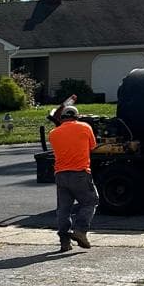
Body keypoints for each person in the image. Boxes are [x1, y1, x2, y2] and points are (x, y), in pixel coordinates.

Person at [48, 101, 98, 252]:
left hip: (60, 175)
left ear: (62, 118)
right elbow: (92, 147)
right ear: (77, 116)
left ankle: (64, 241)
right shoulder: (85, 127)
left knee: (63, 209)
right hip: (80, 173)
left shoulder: (53, 133)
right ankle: (80, 230)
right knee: (90, 201)